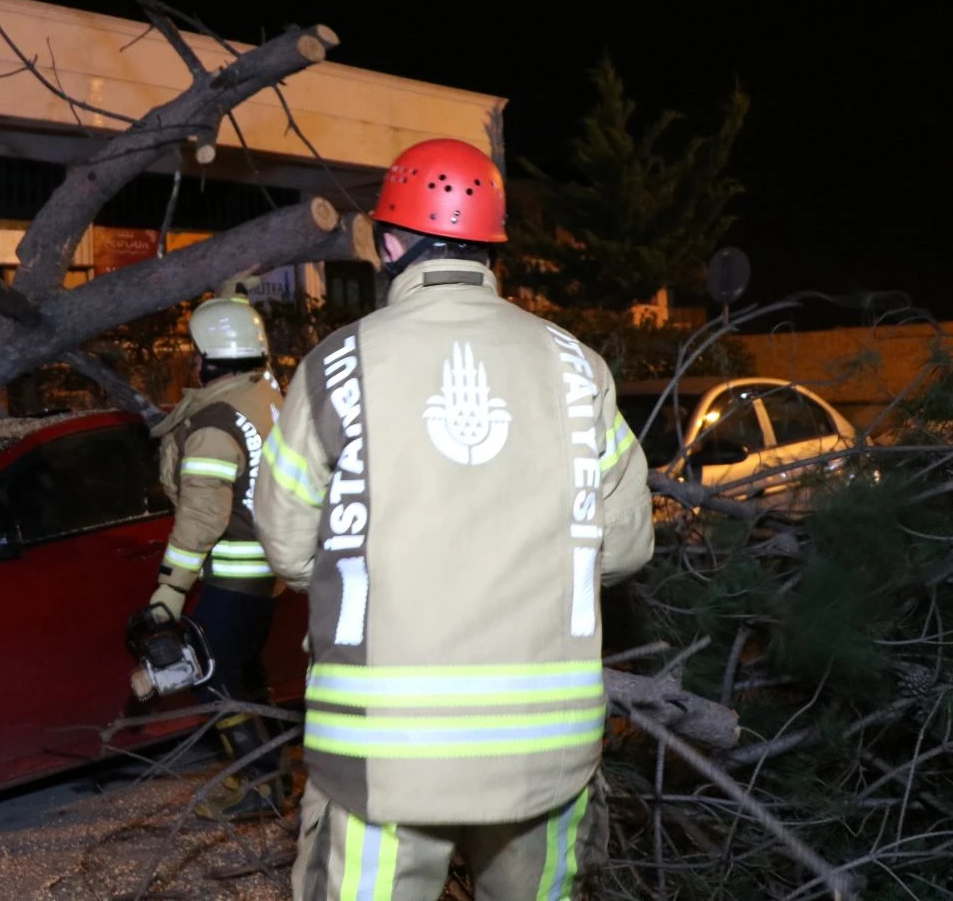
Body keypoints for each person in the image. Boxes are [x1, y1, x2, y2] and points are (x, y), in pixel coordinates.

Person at [254, 138, 654, 900]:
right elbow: (628, 542)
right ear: (494, 247)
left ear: (390, 241)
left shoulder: (336, 365)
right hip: (550, 746)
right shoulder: (579, 367)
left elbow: (285, 542)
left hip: (381, 750)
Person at [144, 281, 287, 820]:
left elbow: (202, 519)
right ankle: (273, 778)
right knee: (244, 675)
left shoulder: (213, 427)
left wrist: (170, 591)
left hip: (235, 576)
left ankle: (257, 786)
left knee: (212, 678)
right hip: (268, 576)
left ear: (207, 359)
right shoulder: (265, 398)